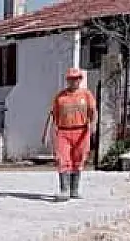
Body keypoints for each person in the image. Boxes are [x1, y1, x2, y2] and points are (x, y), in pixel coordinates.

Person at [42, 67, 97, 201]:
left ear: (80, 79)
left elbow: (93, 112)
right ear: (67, 80)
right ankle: (64, 190)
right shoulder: (60, 97)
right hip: (63, 131)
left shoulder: (86, 95)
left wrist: (93, 127)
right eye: (71, 79)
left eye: (77, 78)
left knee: (78, 159)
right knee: (62, 159)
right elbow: (52, 115)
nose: (74, 81)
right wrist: (46, 134)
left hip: (81, 131)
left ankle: (74, 190)